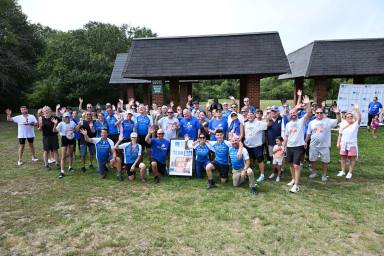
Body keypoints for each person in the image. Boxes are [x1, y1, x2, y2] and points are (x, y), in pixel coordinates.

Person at [284, 95, 312, 193]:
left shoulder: (301, 121)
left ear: (297, 113)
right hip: (289, 146)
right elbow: (286, 136)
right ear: (290, 115)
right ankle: (293, 179)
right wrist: (284, 147)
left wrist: (308, 104)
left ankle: (296, 185)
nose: (293, 114)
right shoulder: (288, 124)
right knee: (291, 164)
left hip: (298, 146)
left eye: (295, 112)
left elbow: (309, 114)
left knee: (296, 165)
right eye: (291, 113)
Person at [306, 105, 340, 181]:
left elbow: (338, 121)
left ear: (323, 113)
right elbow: (308, 133)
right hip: (313, 145)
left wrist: (337, 113)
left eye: (321, 113)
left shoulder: (328, 120)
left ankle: (324, 175)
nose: (319, 114)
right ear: (315, 113)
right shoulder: (311, 122)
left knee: (325, 161)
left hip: (325, 145)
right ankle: (314, 173)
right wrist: (305, 142)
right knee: (312, 159)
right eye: (317, 113)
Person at [337, 104, 362, 180]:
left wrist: (357, 110)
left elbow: (360, 118)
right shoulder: (343, 124)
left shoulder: (356, 124)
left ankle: (350, 172)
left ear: (353, 117)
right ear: (345, 118)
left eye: (351, 116)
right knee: (343, 157)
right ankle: (343, 171)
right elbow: (340, 134)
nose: (349, 118)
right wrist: (338, 142)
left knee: (352, 158)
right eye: (348, 117)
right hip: (343, 143)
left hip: (352, 144)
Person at [243, 110, 268, 182]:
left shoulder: (259, 123)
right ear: (247, 116)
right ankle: (248, 173)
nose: (250, 116)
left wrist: (266, 116)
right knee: (248, 160)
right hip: (247, 145)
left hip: (257, 145)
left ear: (254, 116)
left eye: (251, 115)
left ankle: (262, 175)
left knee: (260, 160)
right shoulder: (245, 124)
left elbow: (267, 125)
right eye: (248, 115)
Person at [52, 112, 77, 178]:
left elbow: (76, 129)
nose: (65, 118)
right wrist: (55, 124)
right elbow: (54, 131)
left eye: (67, 117)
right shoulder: (61, 124)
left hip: (71, 138)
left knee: (71, 154)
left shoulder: (72, 122)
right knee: (63, 156)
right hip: (64, 138)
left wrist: (73, 130)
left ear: (69, 117)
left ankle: (70, 167)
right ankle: (62, 171)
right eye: (64, 117)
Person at [266, 106, 283, 179]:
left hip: (280, 143)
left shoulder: (281, 119)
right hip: (271, 142)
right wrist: (267, 120)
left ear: (278, 112)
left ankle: (280, 170)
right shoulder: (268, 120)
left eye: (275, 112)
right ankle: (274, 170)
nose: (273, 113)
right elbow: (265, 128)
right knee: (272, 156)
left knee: (280, 157)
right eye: (272, 111)